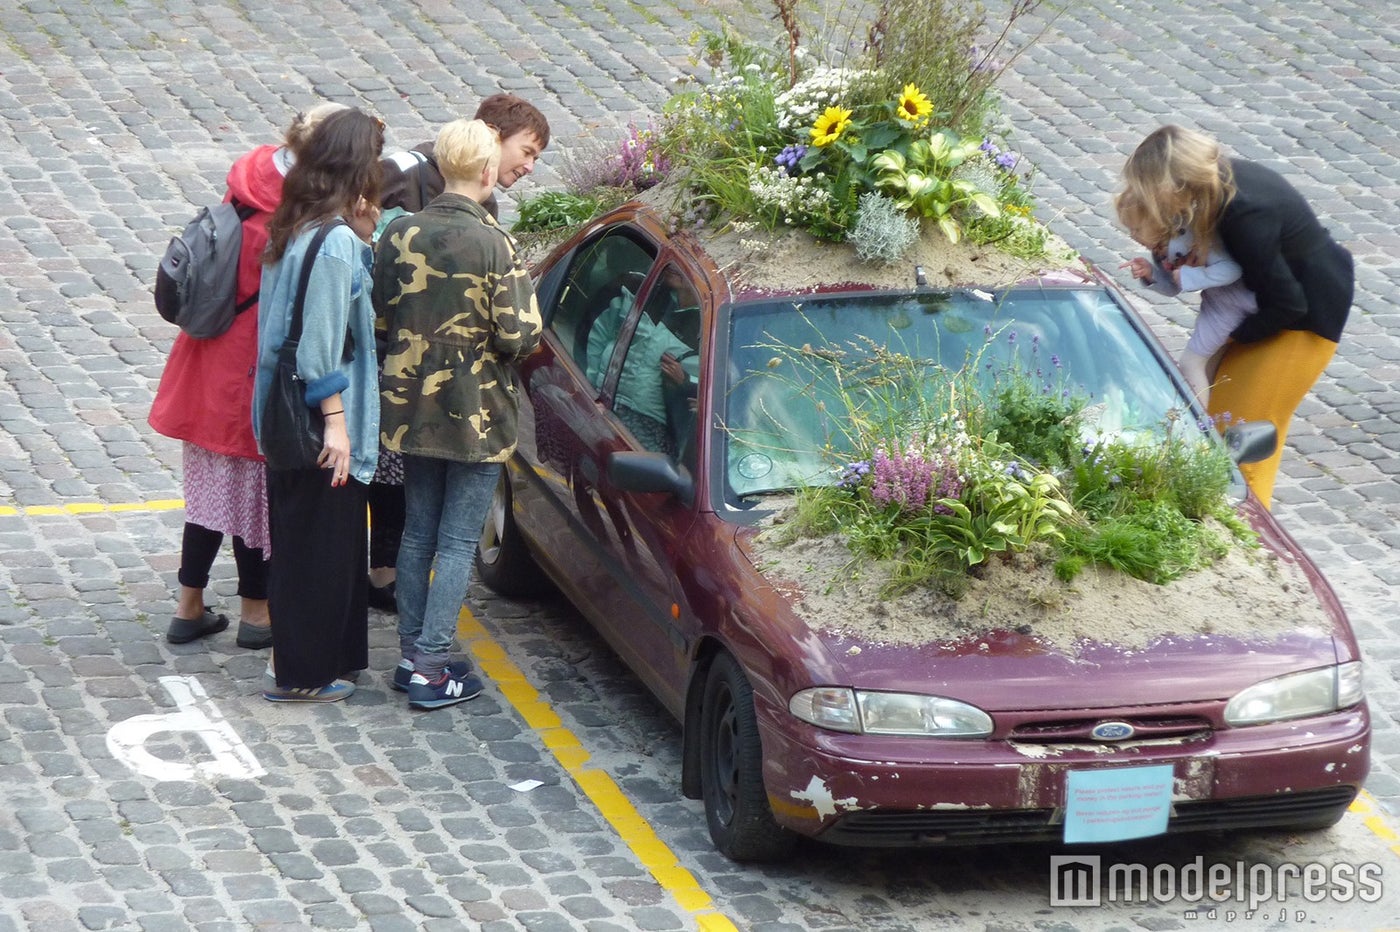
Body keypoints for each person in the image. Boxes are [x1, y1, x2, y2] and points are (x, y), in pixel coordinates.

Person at [149, 102, 347, 649]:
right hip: (249, 373)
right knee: (256, 497)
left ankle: (189, 605)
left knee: (209, 494)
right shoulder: (295, 216)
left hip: (204, 361)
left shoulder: (246, 183)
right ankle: (256, 614)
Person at [372, 119, 543, 710]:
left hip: (410, 407)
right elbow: (520, 335)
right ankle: (433, 663)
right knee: (457, 539)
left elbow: (379, 318)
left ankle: (408, 652)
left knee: (416, 532)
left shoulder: (400, 235)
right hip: (475, 414)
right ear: (488, 170)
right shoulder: (496, 243)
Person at [1119, 125, 1354, 508]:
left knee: (1240, 444)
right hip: (1268, 312)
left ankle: (1250, 540)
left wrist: (1233, 336)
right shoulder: (1215, 186)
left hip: (1303, 319)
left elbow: (1288, 301)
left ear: (1172, 185)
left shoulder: (1245, 212)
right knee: (1215, 428)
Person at [252, 107, 385, 702]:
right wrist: (337, 425)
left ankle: (330, 658)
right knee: (319, 551)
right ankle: (305, 674)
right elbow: (319, 350)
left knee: (317, 543)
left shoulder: (294, 225)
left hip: (278, 416)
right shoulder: (333, 244)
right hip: (319, 421)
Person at [1116, 191, 1258, 405]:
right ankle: (1205, 412)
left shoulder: (1192, 238)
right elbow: (1173, 288)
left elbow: (1231, 270)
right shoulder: (1160, 250)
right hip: (1216, 305)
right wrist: (1151, 275)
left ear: (1159, 222)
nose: (1132, 236)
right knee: (1205, 365)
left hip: (1232, 303)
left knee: (1191, 364)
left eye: (1136, 229)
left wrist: (1190, 275)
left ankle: (1199, 425)